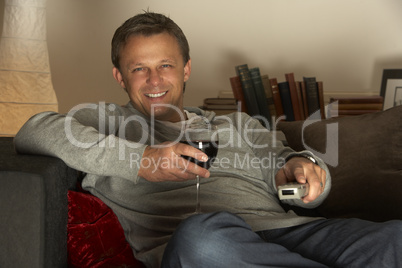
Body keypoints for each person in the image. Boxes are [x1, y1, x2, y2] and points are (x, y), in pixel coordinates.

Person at [14, 12, 401, 268]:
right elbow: (33, 130)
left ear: (185, 69)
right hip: (207, 249)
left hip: (289, 231)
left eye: (165, 65)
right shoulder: (104, 121)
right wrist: (143, 160)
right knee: (202, 236)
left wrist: (306, 172)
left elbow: (290, 166)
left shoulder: (239, 124)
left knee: (393, 237)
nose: (154, 81)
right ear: (120, 77)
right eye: (139, 69)